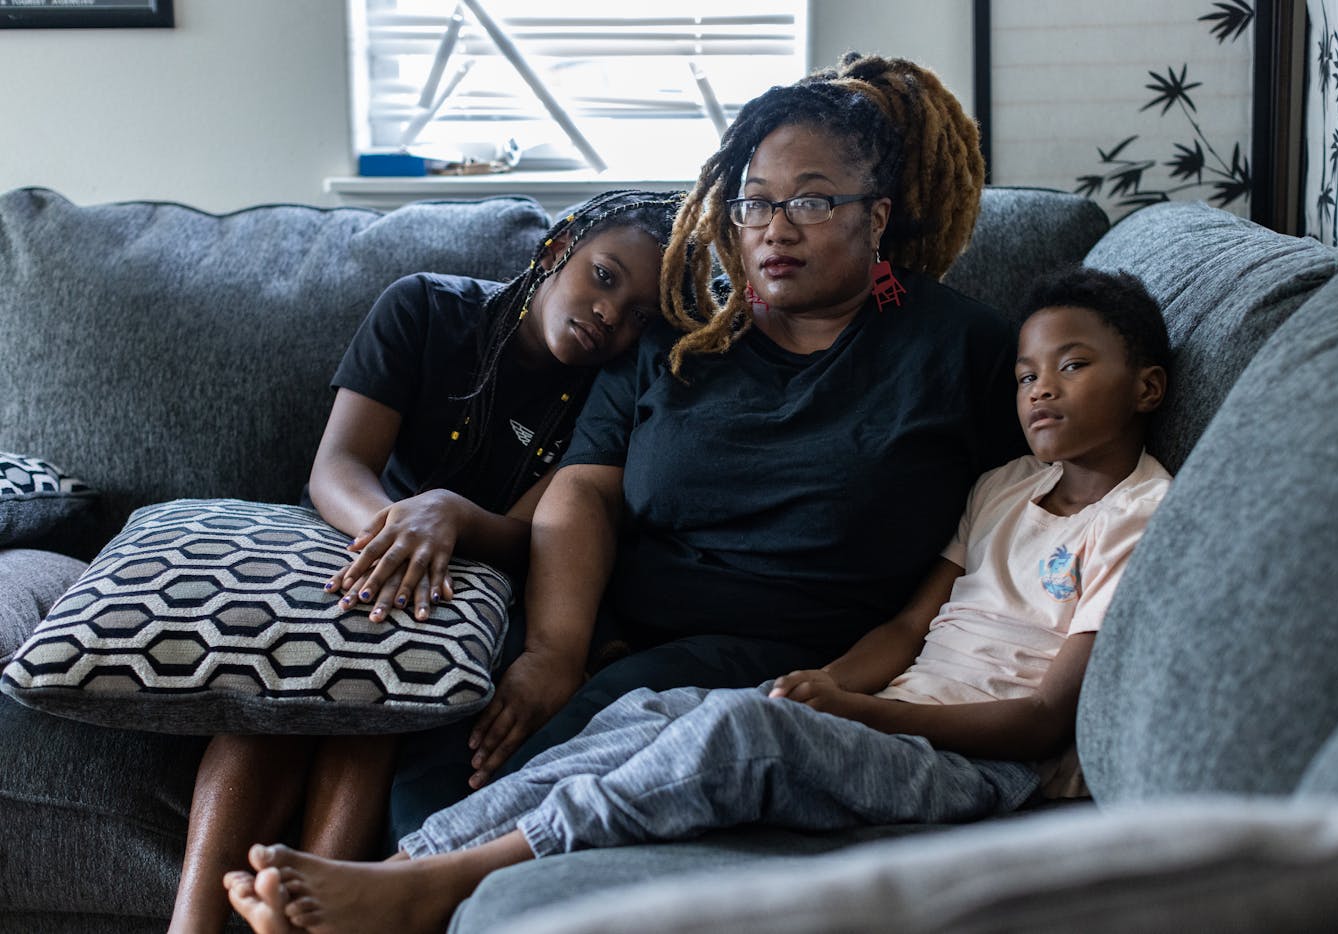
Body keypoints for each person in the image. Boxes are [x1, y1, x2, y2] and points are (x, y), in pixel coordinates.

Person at [223, 263, 1174, 934]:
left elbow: (1051, 718)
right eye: (1025, 374)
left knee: (734, 734)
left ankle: (441, 888)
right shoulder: (1004, 487)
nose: (1039, 390)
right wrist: (824, 684)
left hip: (976, 773)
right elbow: (905, 625)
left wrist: (856, 711)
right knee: (654, 710)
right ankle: (400, 869)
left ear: (1148, 387)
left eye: (1073, 367)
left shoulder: (1142, 514)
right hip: (887, 718)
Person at [453, 53, 1029, 804]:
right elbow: (585, 491)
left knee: (492, 795)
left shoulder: (962, 349)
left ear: (876, 216)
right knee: (433, 750)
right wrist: (554, 652)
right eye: (755, 203)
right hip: (601, 627)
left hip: (795, 662)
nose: (775, 230)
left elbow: (1018, 520)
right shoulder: (684, 330)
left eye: (812, 203)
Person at [166, 190, 682, 934]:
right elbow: (336, 469)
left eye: (639, 315)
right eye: (604, 277)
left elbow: (532, 537)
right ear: (557, 248)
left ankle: (312, 911)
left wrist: (449, 517)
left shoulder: (609, 390)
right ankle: (192, 923)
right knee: (284, 684)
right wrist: (399, 532)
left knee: (393, 674)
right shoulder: (425, 309)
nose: (612, 316)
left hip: (482, 578)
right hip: (356, 536)